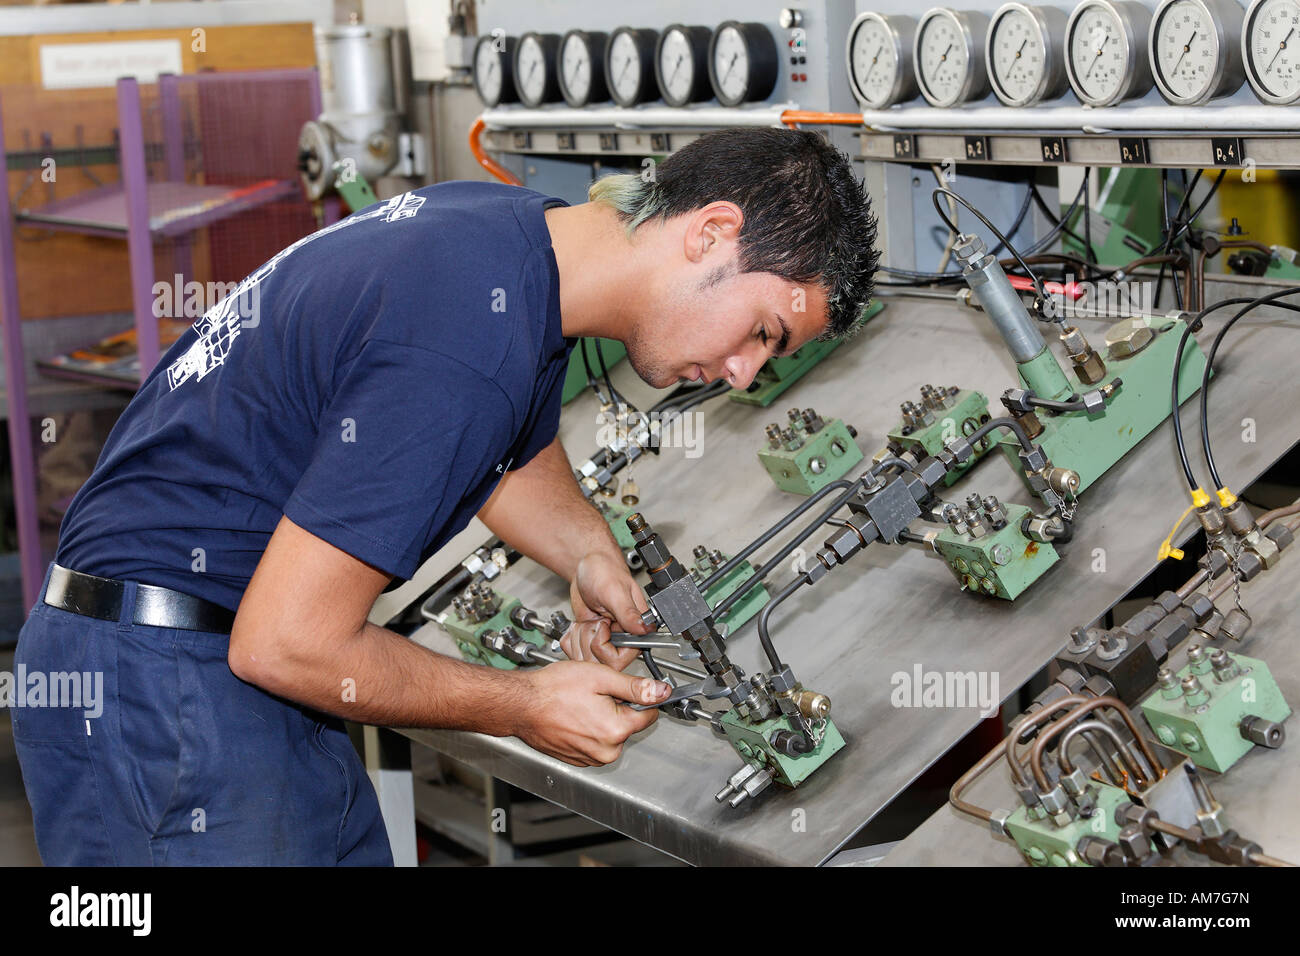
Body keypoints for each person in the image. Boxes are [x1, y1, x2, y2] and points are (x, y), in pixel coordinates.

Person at [13, 127, 879, 864]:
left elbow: (512, 454)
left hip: (219, 672)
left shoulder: (508, 241)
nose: (743, 373)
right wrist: (525, 705)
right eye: (762, 331)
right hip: (161, 693)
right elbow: (285, 645)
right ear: (712, 232)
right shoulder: (461, 339)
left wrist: (588, 555)